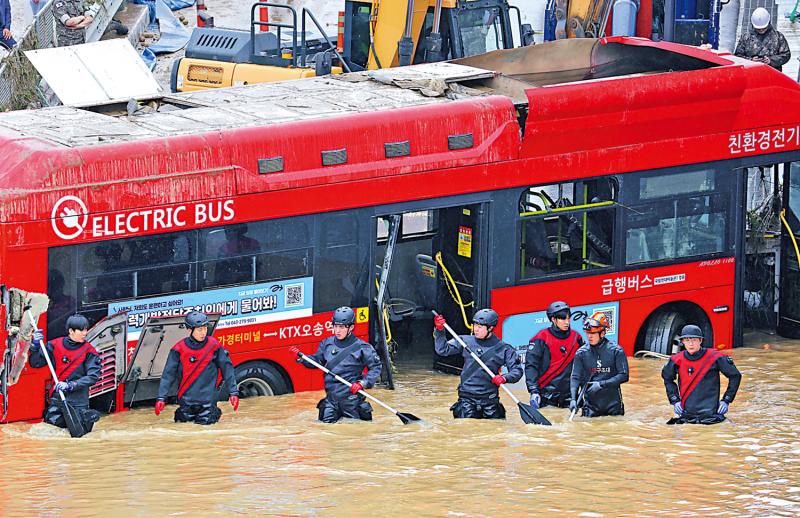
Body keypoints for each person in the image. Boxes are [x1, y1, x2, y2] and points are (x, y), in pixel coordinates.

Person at [291, 307, 382, 423]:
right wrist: (303, 359)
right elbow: (317, 361)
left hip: (351, 401)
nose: (337, 330)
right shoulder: (327, 343)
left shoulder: (363, 348)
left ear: (351, 328)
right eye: (335, 326)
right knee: (325, 430)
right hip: (331, 401)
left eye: (342, 327)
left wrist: (362, 383)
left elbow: (376, 368)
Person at [433, 309, 523, 419]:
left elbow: (517, 371)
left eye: (480, 327)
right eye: (475, 325)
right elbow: (442, 350)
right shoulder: (464, 341)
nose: (476, 329)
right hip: (466, 399)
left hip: (490, 400)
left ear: (490, 328)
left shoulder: (504, 349)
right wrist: (440, 330)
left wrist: (504, 378)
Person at [155, 311, 239, 425]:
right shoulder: (178, 349)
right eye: (199, 329)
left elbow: (227, 369)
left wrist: (233, 392)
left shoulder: (214, 346)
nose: (203, 332)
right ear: (189, 330)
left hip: (208, 404)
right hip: (186, 404)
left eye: (205, 328)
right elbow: (168, 375)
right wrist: (161, 398)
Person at [29, 314, 102, 432]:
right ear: (71, 331)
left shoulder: (90, 351)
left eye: (86, 329)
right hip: (57, 400)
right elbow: (35, 363)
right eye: (81, 330)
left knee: (79, 438)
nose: (85, 333)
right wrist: (34, 346)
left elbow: (93, 377)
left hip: (78, 403)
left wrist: (71, 385)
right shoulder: (54, 345)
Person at [661, 324, 741, 425]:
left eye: (694, 340)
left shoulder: (715, 357)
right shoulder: (676, 360)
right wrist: (675, 400)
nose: (691, 344)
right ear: (683, 342)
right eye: (687, 340)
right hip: (686, 415)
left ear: (700, 341)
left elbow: (735, 376)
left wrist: (726, 400)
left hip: (711, 415)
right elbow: (667, 379)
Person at [525, 301, 585, 409]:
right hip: (547, 397)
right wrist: (533, 391)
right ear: (553, 319)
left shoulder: (577, 338)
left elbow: (585, 365)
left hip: (570, 396)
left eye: (568, 318)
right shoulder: (541, 338)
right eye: (563, 319)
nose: (567, 322)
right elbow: (531, 366)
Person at [569, 312, 629, 417]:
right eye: (587, 333)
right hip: (591, 407)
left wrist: (602, 384)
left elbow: (624, 375)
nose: (589, 337)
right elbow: (575, 377)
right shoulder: (581, 353)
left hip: (613, 406)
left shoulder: (616, 351)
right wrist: (573, 399)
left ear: (602, 333)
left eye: (592, 334)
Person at [734, 7, 791, 72]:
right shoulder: (746, 37)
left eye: (763, 28)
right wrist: (750, 60)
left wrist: (771, 60)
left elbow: (786, 54)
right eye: (758, 29)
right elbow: (737, 57)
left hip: (773, 74)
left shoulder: (778, 37)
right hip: (751, 74)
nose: (761, 30)